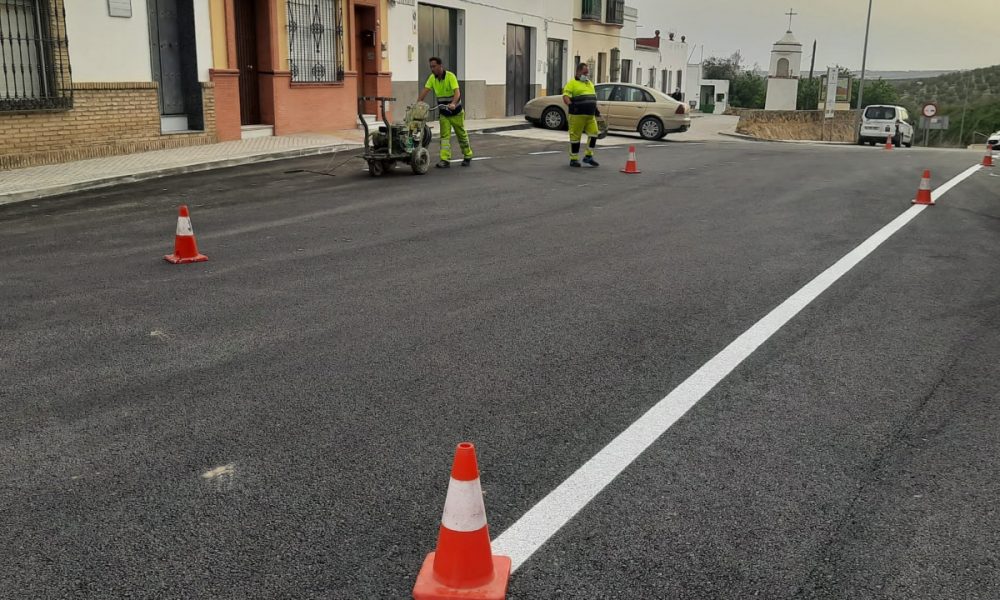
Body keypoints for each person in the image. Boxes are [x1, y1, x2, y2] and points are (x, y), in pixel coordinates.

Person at [417, 57, 473, 168]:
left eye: (434, 66)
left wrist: (453, 103)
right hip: (444, 113)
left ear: (440, 65)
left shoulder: (450, 76)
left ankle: (467, 155)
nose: (432, 69)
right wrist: (418, 102)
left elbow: (457, 92)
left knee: (461, 135)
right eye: (431, 67)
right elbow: (425, 90)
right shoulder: (432, 78)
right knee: (444, 137)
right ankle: (445, 159)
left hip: (456, 112)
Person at [562, 63, 601, 168]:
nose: (586, 75)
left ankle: (588, 156)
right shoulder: (572, 83)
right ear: (578, 72)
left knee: (594, 133)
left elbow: (593, 97)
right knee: (575, 137)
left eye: (587, 73)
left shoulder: (589, 83)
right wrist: (570, 105)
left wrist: (596, 109)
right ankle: (573, 159)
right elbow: (565, 96)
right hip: (577, 115)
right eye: (584, 73)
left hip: (590, 115)